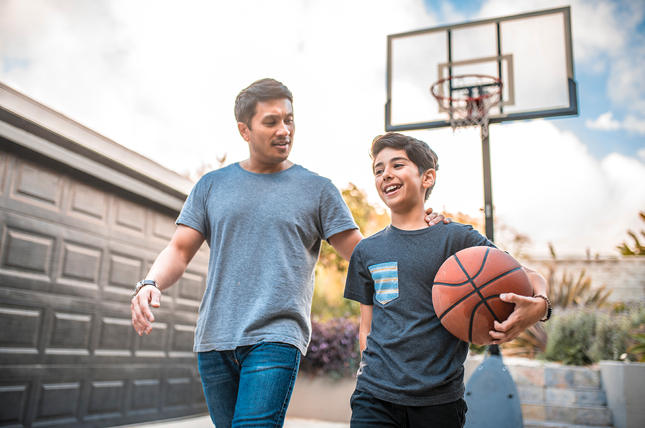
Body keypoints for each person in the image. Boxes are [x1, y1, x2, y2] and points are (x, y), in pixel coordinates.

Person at [130, 79, 447, 428]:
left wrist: (419, 228)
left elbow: (365, 254)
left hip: (276, 337)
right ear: (244, 130)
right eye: (271, 122)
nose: (285, 130)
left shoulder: (317, 190)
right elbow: (178, 249)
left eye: (289, 119)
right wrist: (150, 282)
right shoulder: (211, 186)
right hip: (214, 339)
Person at [343, 132, 551, 428]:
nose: (386, 174)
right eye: (379, 170)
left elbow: (527, 275)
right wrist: (369, 371)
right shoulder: (367, 250)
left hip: (438, 401)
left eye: (397, 165)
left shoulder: (457, 238)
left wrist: (541, 305)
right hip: (374, 397)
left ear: (427, 177)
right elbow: (367, 325)